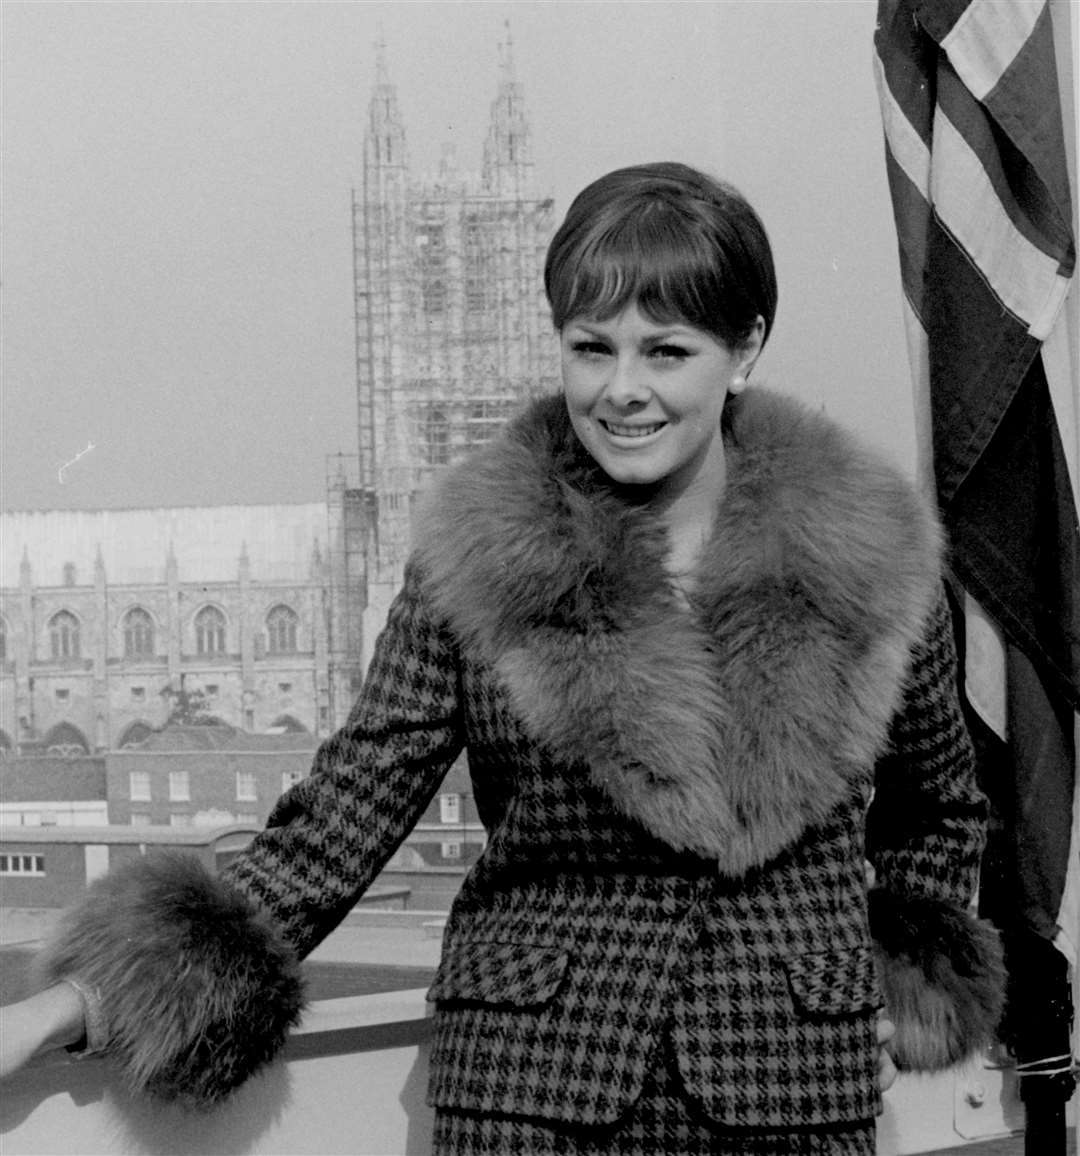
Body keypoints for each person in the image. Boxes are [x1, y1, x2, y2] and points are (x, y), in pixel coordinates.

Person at [1, 162, 1004, 1155]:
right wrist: (73, 1003)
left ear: (744, 350)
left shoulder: (871, 548)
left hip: (797, 1089)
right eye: (590, 347)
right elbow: (340, 819)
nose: (622, 390)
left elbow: (939, 807)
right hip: (532, 1095)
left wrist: (905, 978)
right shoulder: (480, 551)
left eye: (665, 351)